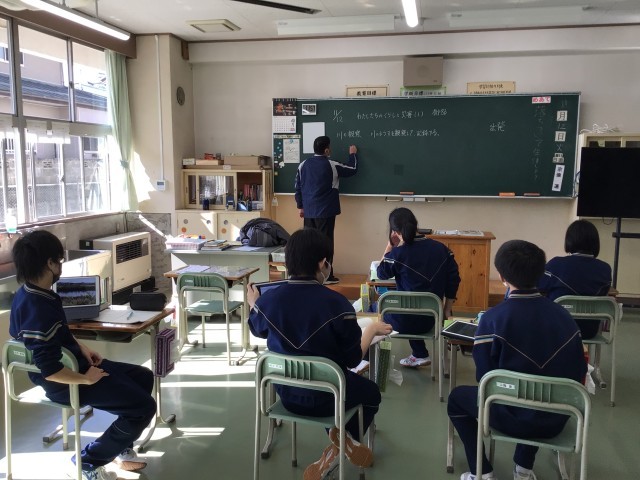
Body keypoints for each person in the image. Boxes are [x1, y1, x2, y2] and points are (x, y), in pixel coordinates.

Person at [9, 230, 156, 480]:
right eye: (59, 261)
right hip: (65, 381)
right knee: (144, 408)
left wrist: (82, 348)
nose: (61, 266)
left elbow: (60, 333)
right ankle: (87, 461)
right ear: (50, 263)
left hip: (75, 365)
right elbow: (50, 370)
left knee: (142, 376)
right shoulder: (38, 308)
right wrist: (86, 379)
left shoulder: (32, 292)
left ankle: (120, 445)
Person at [247, 228, 392, 480]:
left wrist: (254, 304)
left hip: (286, 394)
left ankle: (338, 442)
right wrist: (370, 331)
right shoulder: (338, 305)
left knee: (330, 385)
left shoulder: (267, 303)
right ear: (323, 263)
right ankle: (343, 442)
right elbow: (353, 360)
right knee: (371, 394)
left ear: (287, 263)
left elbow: (257, 329)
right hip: (329, 397)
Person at [447, 240, 587, 480]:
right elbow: (578, 370)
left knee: (457, 399)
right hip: (556, 419)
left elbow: (485, 380)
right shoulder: (565, 317)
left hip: (510, 419)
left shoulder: (492, 319)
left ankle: (482, 472)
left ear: (502, 277)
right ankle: (523, 468)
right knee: (539, 388)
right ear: (541, 274)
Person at [376, 207, 460, 367]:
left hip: (402, 321)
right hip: (432, 319)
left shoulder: (398, 254)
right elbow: (453, 279)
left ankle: (367, 362)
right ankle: (419, 354)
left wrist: (390, 246)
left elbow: (381, 273)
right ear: (415, 225)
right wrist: (447, 309)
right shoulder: (442, 250)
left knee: (375, 308)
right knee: (415, 304)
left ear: (395, 232)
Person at [294, 135, 358, 284]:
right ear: (327, 150)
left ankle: (310, 275)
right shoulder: (331, 165)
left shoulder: (303, 164)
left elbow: (298, 187)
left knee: (309, 244)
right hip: (326, 212)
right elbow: (353, 169)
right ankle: (326, 276)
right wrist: (353, 154)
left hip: (309, 212)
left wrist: (300, 206)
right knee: (325, 244)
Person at [537, 219, 612, 339]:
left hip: (558, 328)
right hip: (589, 331)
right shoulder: (605, 269)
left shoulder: (556, 264)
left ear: (569, 241)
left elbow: (538, 286)